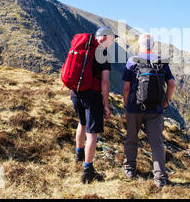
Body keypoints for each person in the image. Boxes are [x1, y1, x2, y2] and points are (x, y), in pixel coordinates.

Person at [122, 33, 176, 188]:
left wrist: (127, 105)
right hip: (156, 109)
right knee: (156, 143)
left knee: (132, 138)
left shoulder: (132, 61)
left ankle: (130, 170)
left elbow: (126, 87)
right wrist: (165, 103)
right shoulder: (161, 62)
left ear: (139, 45)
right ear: (152, 45)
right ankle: (159, 178)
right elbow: (171, 84)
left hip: (134, 108)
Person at [71, 26, 117, 184]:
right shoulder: (102, 53)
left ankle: (79, 154)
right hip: (92, 95)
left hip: (75, 93)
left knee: (82, 123)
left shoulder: (82, 47)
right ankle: (88, 170)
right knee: (92, 133)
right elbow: (105, 82)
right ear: (105, 37)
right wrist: (106, 104)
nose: (113, 42)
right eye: (112, 39)